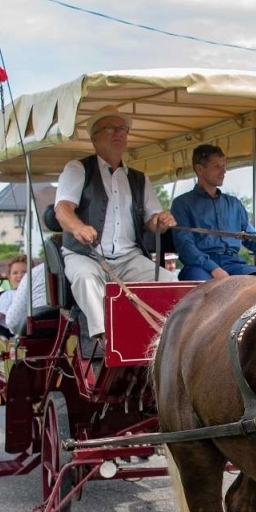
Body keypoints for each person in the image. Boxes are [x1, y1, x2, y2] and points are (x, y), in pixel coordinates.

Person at [53, 111, 175, 360]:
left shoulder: (140, 179)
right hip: (86, 254)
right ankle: (108, 342)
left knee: (169, 282)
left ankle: (169, 341)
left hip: (129, 258)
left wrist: (161, 221)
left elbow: (152, 222)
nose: (119, 133)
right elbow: (62, 210)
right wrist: (78, 228)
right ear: (95, 138)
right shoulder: (78, 169)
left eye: (123, 129)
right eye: (111, 128)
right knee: (85, 279)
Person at [170, 144, 256, 281]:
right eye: (217, 166)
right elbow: (185, 246)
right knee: (208, 289)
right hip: (199, 267)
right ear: (199, 169)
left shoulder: (234, 204)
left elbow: (250, 236)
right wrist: (213, 268)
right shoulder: (182, 204)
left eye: (224, 166)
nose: (223, 171)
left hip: (233, 264)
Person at [0, 256, 48, 340]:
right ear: (9, 278)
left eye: (24, 272)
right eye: (15, 273)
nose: (20, 275)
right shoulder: (8, 295)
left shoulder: (38, 293)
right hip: (14, 336)